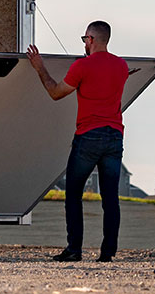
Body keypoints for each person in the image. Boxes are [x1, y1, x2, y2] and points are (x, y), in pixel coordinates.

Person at [26, 21, 129, 263]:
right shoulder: (122, 66)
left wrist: (39, 67)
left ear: (91, 39)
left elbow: (55, 92)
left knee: (73, 194)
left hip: (89, 135)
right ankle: (107, 253)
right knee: (110, 197)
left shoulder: (82, 66)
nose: (84, 43)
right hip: (115, 136)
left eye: (85, 39)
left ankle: (74, 250)